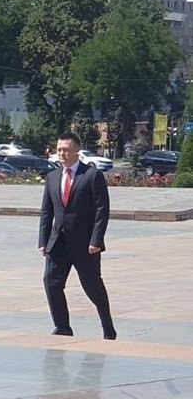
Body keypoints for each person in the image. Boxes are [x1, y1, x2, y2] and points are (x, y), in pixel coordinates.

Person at [38, 131, 117, 340]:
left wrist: (96, 240)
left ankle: (108, 326)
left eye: (66, 150)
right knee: (51, 282)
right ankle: (62, 326)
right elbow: (47, 211)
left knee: (92, 287)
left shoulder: (91, 175)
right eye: (59, 150)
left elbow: (102, 210)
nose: (61, 154)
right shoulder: (53, 177)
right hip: (58, 243)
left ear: (76, 151)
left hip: (85, 245)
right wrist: (43, 241)